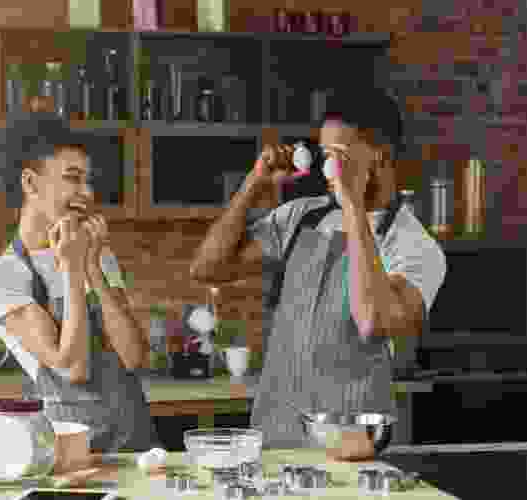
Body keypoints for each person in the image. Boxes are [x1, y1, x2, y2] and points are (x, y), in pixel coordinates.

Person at [190, 86, 447, 451]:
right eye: (324, 154)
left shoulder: (414, 246)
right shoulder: (301, 217)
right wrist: (253, 185)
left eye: (337, 155)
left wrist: (353, 206)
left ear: (381, 156)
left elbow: (373, 321)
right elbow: (206, 269)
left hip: (351, 443)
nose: (327, 168)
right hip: (274, 437)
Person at [0, 113, 160, 453]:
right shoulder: (2, 275)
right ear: (30, 184)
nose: (86, 193)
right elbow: (72, 367)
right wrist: (73, 269)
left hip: (136, 444)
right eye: (73, 179)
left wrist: (92, 266)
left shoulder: (97, 256)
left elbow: (134, 356)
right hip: (70, 453)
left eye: (88, 181)